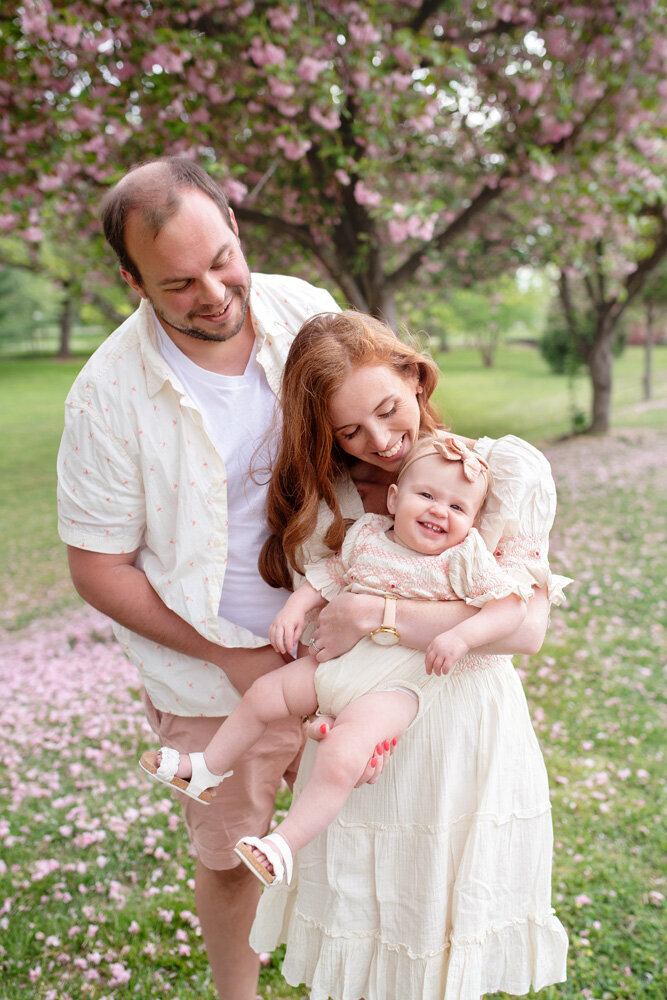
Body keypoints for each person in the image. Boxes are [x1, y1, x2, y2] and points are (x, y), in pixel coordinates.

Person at [55, 156, 345, 1000]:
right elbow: (97, 568)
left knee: (369, 830)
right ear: (131, 280)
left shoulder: (308, 313)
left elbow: (378, 431)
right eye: (178, 282)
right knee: (232, 860)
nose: (215, 292)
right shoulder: (104, 397)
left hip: (345, 644)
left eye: (222, 259)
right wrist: (231, 658)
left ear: (234, 225)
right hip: (209, 680)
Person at [247, 311, 570, 1000]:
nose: (382, 441)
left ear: (414, 375)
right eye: (350, 431)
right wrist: (326, 714)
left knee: (442, 916)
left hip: (462, 726)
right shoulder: (326, 507)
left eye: (389, 411)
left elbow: (522, 628)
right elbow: (325, 643)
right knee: (367, 917)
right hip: (369, 731)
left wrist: (376, 613)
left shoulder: (496, 475)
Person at [139, 432, 534, 888]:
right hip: (333, 665)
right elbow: (328, 573)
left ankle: (282, 844)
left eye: (458, 508)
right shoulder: (366, 534)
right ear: (393, 497)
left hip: (394, 688)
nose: (439, 511)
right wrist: (295, 608)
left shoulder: (464, 558)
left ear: (472, 522)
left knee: (342, 755)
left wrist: (463, 636)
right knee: (264, 693)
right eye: (426, 495)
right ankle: (208, 767)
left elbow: (510, 607)